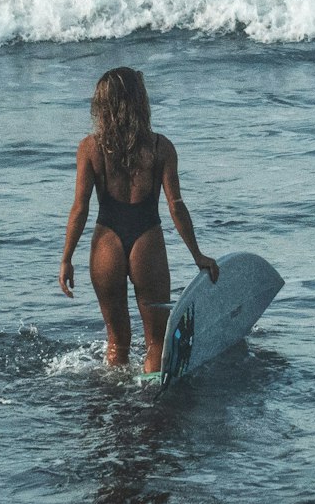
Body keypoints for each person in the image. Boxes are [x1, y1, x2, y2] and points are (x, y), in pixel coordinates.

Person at [59, 67, 218, 372]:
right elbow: (176, 206)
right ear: (140, 102)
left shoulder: (89, 149)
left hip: (106, 244)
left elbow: (79, 208)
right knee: (157, 342)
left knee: (117, 341)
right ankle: (151, 404)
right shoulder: (161, 148)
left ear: (102, 106)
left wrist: (66, 259)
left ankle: (118, 405)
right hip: (147, 242)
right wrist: (197, 255)